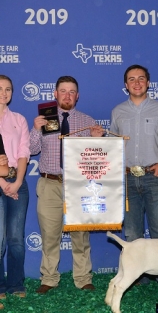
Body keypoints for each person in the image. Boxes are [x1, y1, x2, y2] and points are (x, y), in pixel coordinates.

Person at [109, 64, 158, 299]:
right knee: (132, 232)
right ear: (126, 85)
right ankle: (134, 276)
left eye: (141, 78)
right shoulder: (118, 111)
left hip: (155, 176)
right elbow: (114, 145)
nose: (137, 82)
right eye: (132, 79)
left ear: (148, 83)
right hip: (129, 178)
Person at [30, 76, 104, 294]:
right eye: (63, 91)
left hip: (78, 184)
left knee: (80, 235)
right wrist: (35, 129)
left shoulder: (87, 121)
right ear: (55, 93)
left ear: (77, 96)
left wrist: (97, 140)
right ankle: (49, 277)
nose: (67, 95)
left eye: (72, 92)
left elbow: (95, 158)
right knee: (49, 234)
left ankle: (82, 277)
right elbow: (32, 150)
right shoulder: (44, 119)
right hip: (49, 182)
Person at [0, 75, 30, 308]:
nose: (4, 93)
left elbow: (23, 152)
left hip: (18, 183)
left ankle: (16, 284)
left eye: (8, 89)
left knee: (16, 239)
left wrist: (18, 181)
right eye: (0, 89)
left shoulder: (19, 119)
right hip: (1, 183)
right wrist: (2, 183)